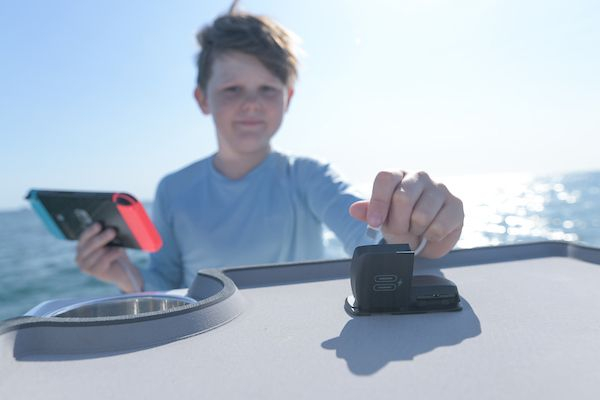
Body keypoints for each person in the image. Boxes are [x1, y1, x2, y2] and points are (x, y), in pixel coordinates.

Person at [75, 5, 464, 293]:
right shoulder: (172, 190)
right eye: (232, 89)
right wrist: (124, 275)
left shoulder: (309, 176)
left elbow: (372, 240)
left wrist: (419, 230)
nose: (251, 104)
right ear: (202, 99)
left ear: (287, 98)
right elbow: (167, 284)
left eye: (267, 89)